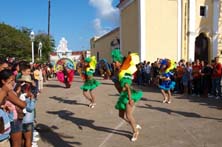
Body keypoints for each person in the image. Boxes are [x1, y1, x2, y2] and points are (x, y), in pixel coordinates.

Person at [112, 50, 143, 142]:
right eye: (113, 62)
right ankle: (134, 124)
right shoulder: (119, 72)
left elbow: (127, 86)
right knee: (121, 115)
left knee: (128, 115)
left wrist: (130, 99)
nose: (113, 63)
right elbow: (119, 86)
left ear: (120, 62)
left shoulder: (124, 72)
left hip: (129, 95)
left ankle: (135, 131)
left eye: (115, 62)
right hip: (123, 95)